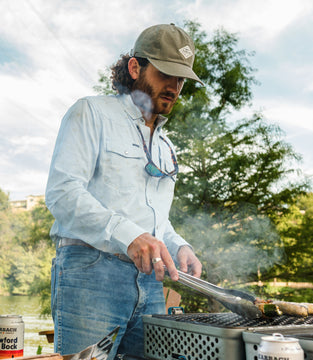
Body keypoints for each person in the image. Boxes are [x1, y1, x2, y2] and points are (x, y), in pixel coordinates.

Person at [45, 23, 203, 359]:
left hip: (151, 283)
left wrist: (179, 246)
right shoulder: (91, 113)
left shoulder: (165, 146)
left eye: (181, 80)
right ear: (135, 68)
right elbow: (62, 193)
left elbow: (155, 219)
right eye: (166, 74)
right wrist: (130, 236)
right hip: (91, 274)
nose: (175, 87)